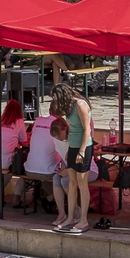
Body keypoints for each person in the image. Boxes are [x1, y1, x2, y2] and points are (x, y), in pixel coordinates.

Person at [49, 83, 94, 234]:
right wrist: (70, 150)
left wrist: (81, 150)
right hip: (73, 146)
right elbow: (72, 130)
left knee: (82, 184)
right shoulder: (69, 107)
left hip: (83, 147)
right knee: (72, 183)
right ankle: (70, 218)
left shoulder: (80, 105)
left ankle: (83, 219)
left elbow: (87, 128)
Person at [0, 98, 30, 204]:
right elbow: (24, 141)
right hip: (5, 161)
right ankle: (12, 195)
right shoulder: (19, 122)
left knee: (7, 165)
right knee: (21, 166)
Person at [17, 112, 60, 207]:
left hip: (28, 170)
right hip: (47, 173)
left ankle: (17, 197)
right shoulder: (58, 125)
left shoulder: (38, 120)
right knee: (65, 176)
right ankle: (50, 198)